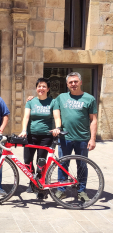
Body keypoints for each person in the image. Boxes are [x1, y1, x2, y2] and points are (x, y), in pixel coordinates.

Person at [53, 72, 97, 202]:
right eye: (71, 82)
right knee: (62, 164)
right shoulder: (61, 97)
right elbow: (46, 101)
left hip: (82, 138)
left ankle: (81, 191)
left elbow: (93, 120)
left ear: (81, 82)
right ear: (67, 84)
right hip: (65, 138)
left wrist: (92, 138)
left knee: (82, 165)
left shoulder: (89, 99)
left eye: (76, 81)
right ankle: (61, 190)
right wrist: (31, 98)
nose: (73, 84)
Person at [18, 78, 61, 194]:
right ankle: (31, 182)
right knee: (28, 161)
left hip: (46, 136)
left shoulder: (53, 102)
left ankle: (39, 183)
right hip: (31, 135)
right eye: (39, 86)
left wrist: (57, 128)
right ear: (36, 88)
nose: (41, 88)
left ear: (48, 89)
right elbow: (26, 117)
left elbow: (57, 117)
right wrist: (23, 130)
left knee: (40, 161)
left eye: (43, 86)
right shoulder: (31, 101)